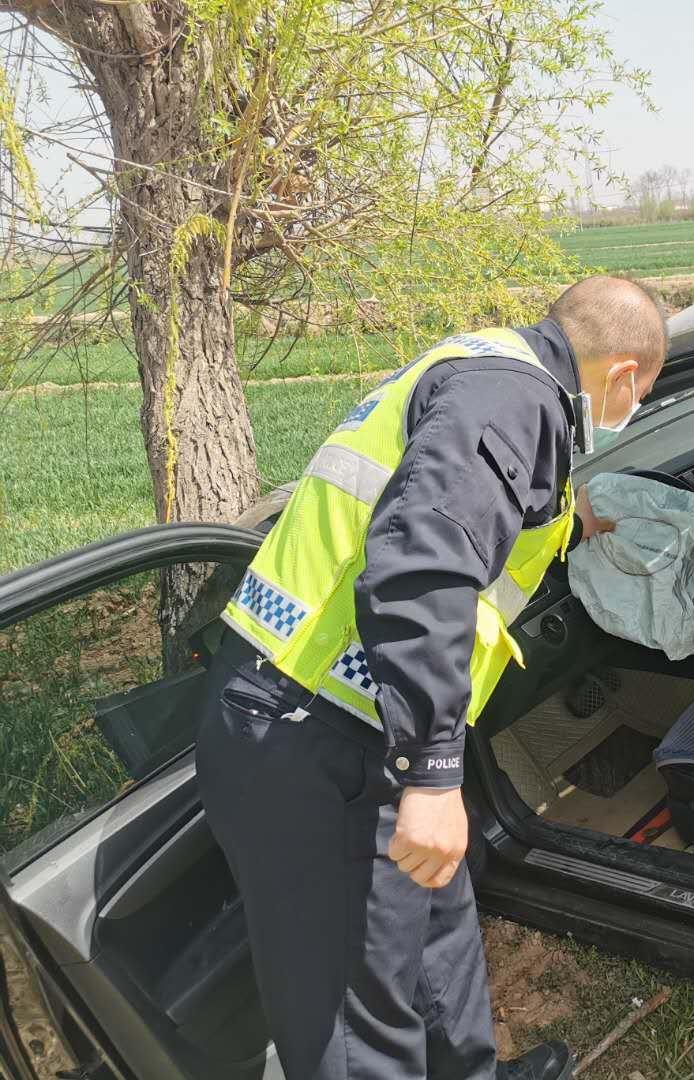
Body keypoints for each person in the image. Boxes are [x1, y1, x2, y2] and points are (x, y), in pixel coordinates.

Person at [197, 276, 667, 1080]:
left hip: (359, 723)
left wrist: (564, 516)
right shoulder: (511, 398)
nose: (631, 410)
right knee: (356, 1013)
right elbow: (421, 568)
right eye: (642, 395)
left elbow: (453, 506)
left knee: (438, 937)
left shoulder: (494, 373)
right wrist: (432, 774)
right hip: (307, 731)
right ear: (624, 375)